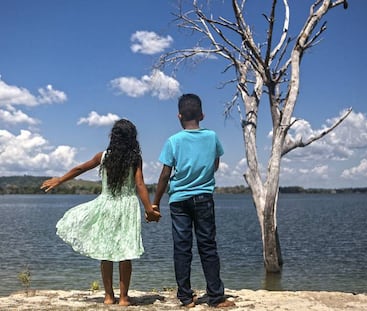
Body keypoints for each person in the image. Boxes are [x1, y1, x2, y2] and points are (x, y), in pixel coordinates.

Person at [41, 119, 161, 306]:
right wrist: (149, 209)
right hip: (127, 206)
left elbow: (80, 168)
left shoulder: (103, 156)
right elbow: (139, 184)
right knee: (125, 251)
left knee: (106, 251)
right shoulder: (134, 158)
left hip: (106, 204)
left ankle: (107, 296)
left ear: (113, 137)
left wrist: (59, 180)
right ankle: (123, 298)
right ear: (132, 138)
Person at [152, 94, 235, 308]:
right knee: (208, 246)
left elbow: (164, 175)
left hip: (178, 200)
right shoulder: (212, 137)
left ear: (179, 116)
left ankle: (186, 298)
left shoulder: (173, 141)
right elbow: (215, 165)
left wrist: (156, 202)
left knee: (182, 247)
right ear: (202, 115)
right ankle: (216, 297)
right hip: (204, 197)